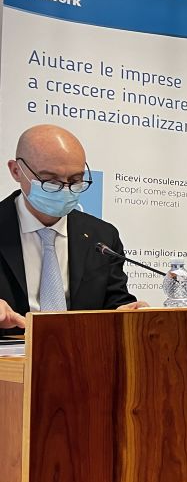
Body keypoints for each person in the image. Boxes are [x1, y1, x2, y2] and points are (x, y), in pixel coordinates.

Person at [0, 124, 145, 329]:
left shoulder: (102, 236)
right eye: (50, 180)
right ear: (16, 171)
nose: (65, 190)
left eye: (75, 180)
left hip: (83, 347)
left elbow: (115, 303)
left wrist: (128, 314)